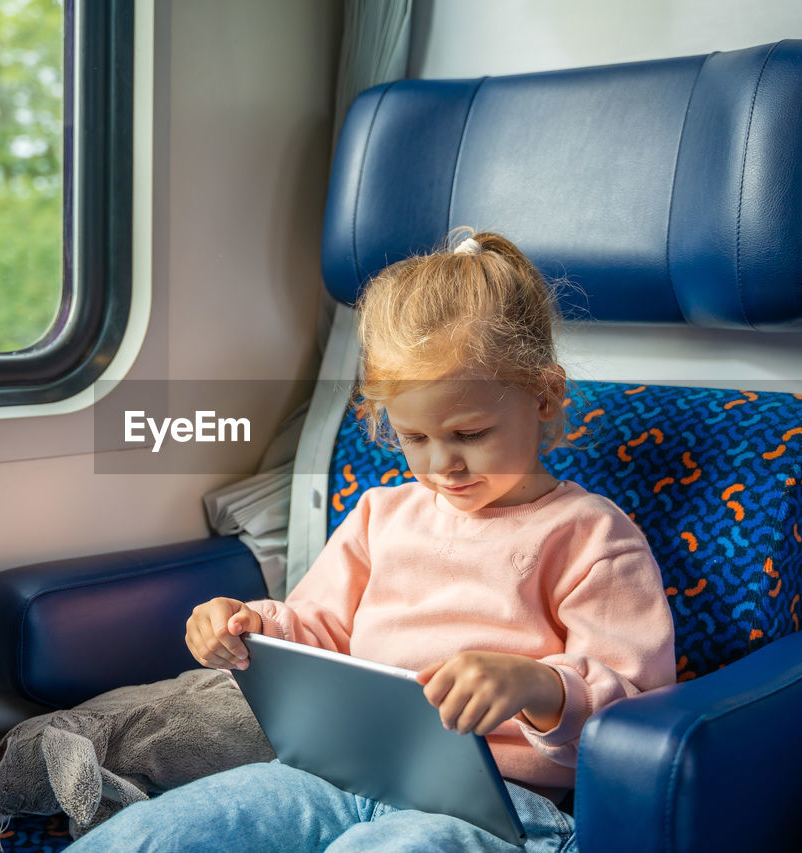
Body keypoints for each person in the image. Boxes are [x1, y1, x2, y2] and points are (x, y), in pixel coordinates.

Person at [71, 230, 677, 852]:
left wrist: (538, 687)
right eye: (414, 438)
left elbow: (632, 720)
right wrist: (248, 626)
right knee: (155, 835)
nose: (444, 465)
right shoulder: (380, 515)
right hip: (342, 771)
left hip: (500, 805)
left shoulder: (591, 538)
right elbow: (320, 632)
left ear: (544, 396)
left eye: (470, 434)